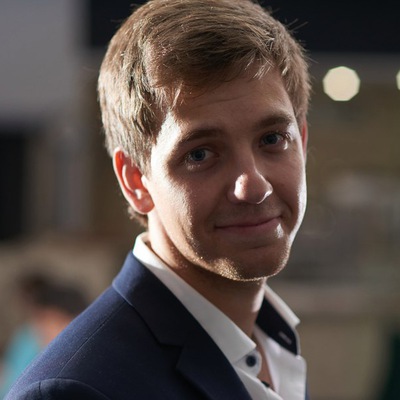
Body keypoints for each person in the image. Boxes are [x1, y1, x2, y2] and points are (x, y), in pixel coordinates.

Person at [6, 0, 311, 398]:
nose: (253, 186)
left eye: (272, 139)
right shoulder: (74, 390)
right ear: (135, 180)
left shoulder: (273, 344)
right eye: (200, 154)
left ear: (302, 142)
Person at [0, 273, 88, 398]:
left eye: (49, 322)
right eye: (40, 322)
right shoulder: (28, 339)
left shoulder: (83, 361)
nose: (41, 330)